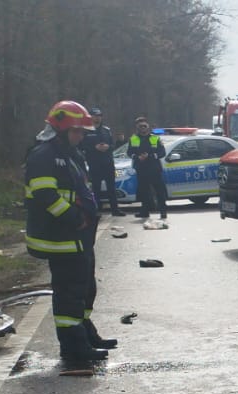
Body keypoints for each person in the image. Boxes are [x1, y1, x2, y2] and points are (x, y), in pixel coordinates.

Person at [26, 101, 113, 362]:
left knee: (85, 288)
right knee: (69, 294)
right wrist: (74, 217)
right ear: (61, 129)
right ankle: (73, 348)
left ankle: (85, 333)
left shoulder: (71, 154)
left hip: (78, 236)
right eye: (76, 131)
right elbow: (45, 194)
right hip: (61, 236)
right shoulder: (43, 155)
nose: (81, 136)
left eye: (83, 132)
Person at [80, 107, 120, 215]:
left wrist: (108, 147)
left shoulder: (106, 130)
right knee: (96, 188)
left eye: (99, 116)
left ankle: (115, 210)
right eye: (95, 116)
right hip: (94, 164)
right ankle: (96, 210)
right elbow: (82, 146)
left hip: (108, 163)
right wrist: (94, 148)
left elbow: (113, 145)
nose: (97, 118)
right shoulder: (86, 131)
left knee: (111, 188)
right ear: (90, 117)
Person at [128, 116, 168, 220]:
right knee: (144, 192)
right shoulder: (133, 139)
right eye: (140, 126)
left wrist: (150, 156)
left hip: (154, 169)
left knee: (159, 191)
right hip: (141, 169)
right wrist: (137, 157)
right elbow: (129, 152)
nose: (142, 128)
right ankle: (144, 212)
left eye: (144, 126)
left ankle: (163, 212)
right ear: (137, 127)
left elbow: (162, 152)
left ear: (148, 126)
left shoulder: (155, 138)